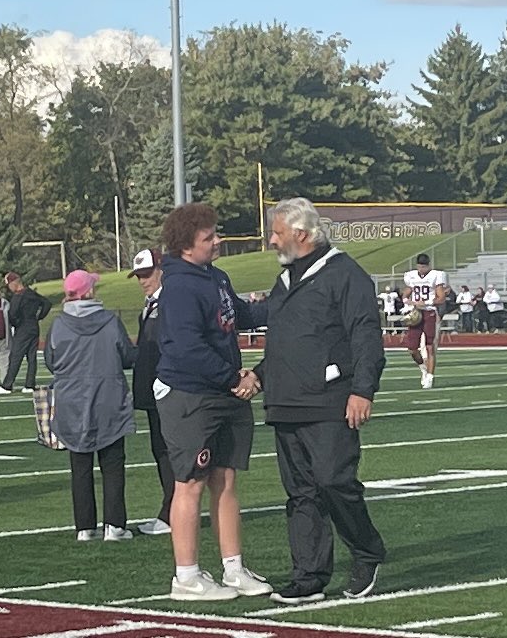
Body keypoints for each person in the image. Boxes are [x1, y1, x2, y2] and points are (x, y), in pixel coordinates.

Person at [252, 197, 386, 605]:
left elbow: (365, 336)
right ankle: (308, 577)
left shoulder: (345, 274)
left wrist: (362, 390)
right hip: (286, 400)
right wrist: (258, 376)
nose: (271, 240)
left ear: (301, 234)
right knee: (301, 493)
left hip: (329, 398)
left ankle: (367, 551)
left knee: (333, 481)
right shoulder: (286, 280)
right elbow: (287, 341)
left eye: (277, 232)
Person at [155, 202, 271, 602]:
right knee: (190, 484)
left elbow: (241, 315)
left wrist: (287, 302)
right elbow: (187, 347)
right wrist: (232, 376)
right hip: (193, 395)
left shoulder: (214, 276)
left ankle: (234, 568)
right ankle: (185, 576)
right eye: (209, 237)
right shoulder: (180, 286)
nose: (217, 241)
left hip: (222, 393)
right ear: (186, 246)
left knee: (226, 479)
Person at [44, 270, 137, 542]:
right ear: (88, 292)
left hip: (72, 401)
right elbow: (127, 356)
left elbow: (51, 360)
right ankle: (115, 525)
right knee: (113, 464)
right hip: (109, 399)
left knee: (80, 466)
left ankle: (85, 526)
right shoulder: (110, 321)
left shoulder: (59, 325)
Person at [128, 248, 174, 536]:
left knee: (169, 451)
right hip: (152, 389)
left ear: (161, 270)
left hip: (167, 388)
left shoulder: (169, 302)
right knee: (160, 450)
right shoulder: (151, 303)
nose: (143, 281)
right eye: (140, 276)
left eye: (147, 274)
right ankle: (169, 510)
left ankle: (171, 512)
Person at [0, 272, 52, 394]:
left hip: (23, 329)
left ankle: (7, 385)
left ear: (14, 283)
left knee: (15, 356)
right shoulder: (31, 293)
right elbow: (47, 303)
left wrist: (16, 324)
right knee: (31, 357)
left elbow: (12, 315)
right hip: (33, 327)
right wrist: (39, 317)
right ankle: (30, 385)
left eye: (9, 284)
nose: (9, 287)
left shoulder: (18, 297)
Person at [402, 253, 446, 389]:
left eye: (424, 266)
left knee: (430, 347)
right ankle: (423, 368)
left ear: (429, 266)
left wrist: (425, 302)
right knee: (412, 348)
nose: (422, 269)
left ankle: (430, 377)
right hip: (416, 313)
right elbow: (406, 293)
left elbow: (441, 297)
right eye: (420, 266)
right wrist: (407, 301)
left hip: (429, 312)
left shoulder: (435, 276)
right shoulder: (411, 276)